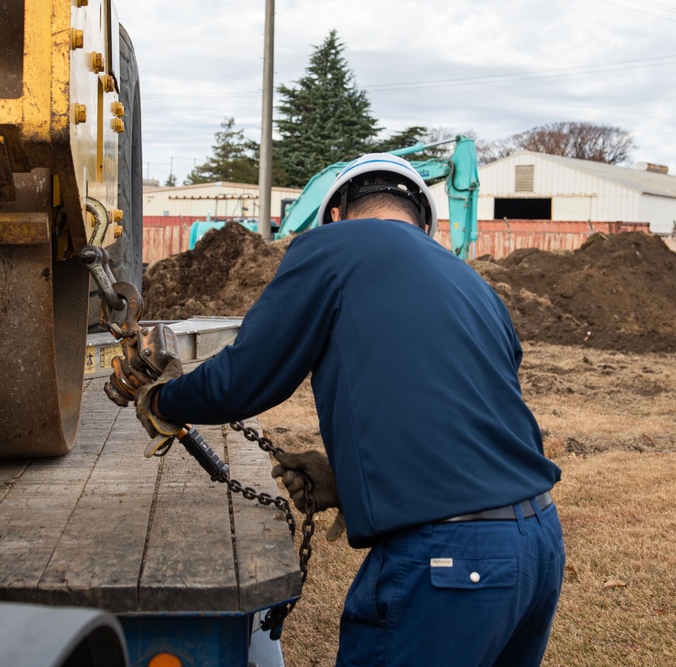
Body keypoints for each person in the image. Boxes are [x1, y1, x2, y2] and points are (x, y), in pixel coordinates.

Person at [131, 153, 566, 667]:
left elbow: (249, 375)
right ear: (422, 223)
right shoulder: (476, 287)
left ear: (335, 214)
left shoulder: (335, 247)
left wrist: (163, 400)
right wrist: (352, 480)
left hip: (451, 562)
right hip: (538, 545)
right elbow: (468, 413)